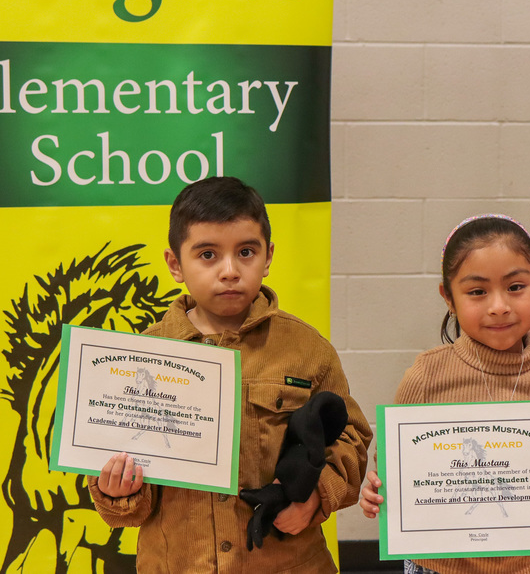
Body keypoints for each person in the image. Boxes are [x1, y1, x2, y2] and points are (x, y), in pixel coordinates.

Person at [87, 176, 372, 572]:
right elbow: (123, 491)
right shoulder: (141, 358)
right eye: (207, 254)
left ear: (268, 256)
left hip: (288, 563)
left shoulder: (307, 349)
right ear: (175, 264)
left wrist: (314, 497)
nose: (229, 270)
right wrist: (117, 492)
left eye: (246, 252)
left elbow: (350, 436)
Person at [359, 215, 530, 574]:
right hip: (437, 566)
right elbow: (392, 472)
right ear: (449, 297)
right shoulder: (425, 377)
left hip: (526, 566)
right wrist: (377, 493)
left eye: (516, 287)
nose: (498, 306)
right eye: (477, 291)